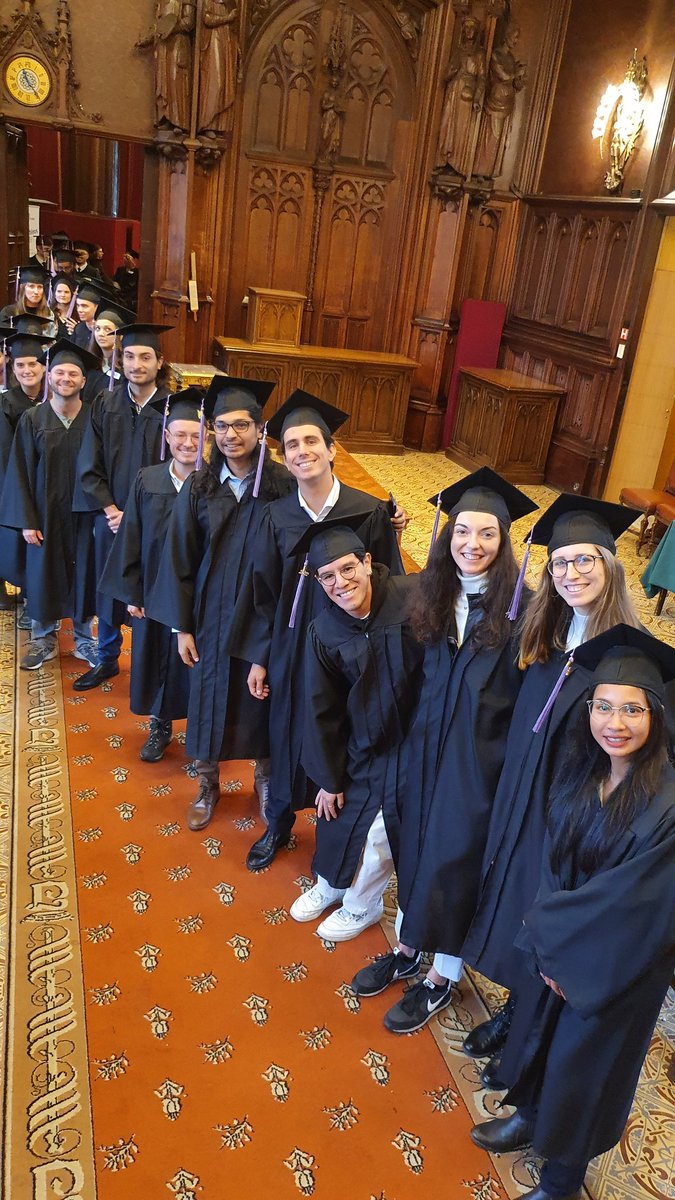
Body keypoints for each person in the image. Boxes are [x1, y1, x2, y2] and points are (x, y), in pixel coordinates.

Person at [470, 625, 675, 1200]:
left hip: (616, 966)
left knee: (586, 1065)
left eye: (632, 709)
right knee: (541, 1033)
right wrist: (549, 941)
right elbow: (554, 859)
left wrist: (564, 952)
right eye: (603, 706)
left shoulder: (669, 803)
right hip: (564, 947)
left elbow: (639, 904)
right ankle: (530, 1118)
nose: (615, 722)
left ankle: (561, 1179)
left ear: (656, 715)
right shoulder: (584, 773)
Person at [460, 495, 641, 1080]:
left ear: (611, 567)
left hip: (573, 818)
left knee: (549, 918)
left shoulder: (625, 658)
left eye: (585, 560)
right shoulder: (548, 634)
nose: (572, 574)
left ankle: (526, 1030)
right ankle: (517, 1005)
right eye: (560, 564)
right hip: (523, 800)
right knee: (516, 906)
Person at [350, 469, 537, 1025]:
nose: (471, 545)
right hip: (420, 754)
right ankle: (410, 950)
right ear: (446, 535)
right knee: (415, 850)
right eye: (461, 531)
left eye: (486, 535)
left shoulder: (521, 614)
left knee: (458, 867)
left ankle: (442, 976)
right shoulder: (429, 596)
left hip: (476, 769)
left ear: (504, 544)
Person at [229, 390, 407, 872]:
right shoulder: (274, 515)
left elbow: (389, 584)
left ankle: (344, 835)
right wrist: (260, 656)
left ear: (331, 449)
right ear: (283, 457)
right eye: (292, 445)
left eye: (312, 441)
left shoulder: (369, 512)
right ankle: (280, 821)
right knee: (287, 730)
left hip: (353, 649)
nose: (303, 451)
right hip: (291, 648)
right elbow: (261, 591)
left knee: (349, 730)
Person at [148, 378, 293, 827]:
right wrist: (181, 627)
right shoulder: (200, 486)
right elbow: (179, 557)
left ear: (260, 428)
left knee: (261, 698)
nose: (231, 435)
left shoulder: (283, 487)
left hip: (262, 614)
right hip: (209, 615)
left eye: (242, 425)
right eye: (223, 426)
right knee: (208, 696)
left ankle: (264, 778)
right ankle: (207, 782)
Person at [291, 516, 424, 941]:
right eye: (327, 576)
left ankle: (360, 906)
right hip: (363, 745)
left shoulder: (412, 599)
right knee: (338, 813)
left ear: (368, 562)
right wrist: (327, 777)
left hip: (415, 745)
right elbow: (320, 708)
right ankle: (330, 883)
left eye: (348, 568)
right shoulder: (325, 630)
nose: (340, 583)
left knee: (384, 833)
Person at [99, 389, 205, 761]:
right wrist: (133, 592)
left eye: (196, 434)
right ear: (166, 435)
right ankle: (160, 726)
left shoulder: (216, 485)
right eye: (179, 434)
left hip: (200, 595)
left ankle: (202, 736)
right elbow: (131, 538)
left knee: (199, 664)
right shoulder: (148, 479)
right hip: (153, 593)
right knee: (158, 660)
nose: (187, 442)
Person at [72, 322, 173, 690]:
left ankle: (151, 669)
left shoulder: (172, 410)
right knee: (109, 586)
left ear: (160, 362)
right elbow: (89, 462)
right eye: (128, 356)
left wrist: (142, 516)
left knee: (152, 592)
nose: (136, 364)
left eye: (145, 357)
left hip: (159, 523)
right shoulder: (105, 403)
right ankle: (108, 658)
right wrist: (111, 510)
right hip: (111, 518)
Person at [0, 340, 98, 671]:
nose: (65, 378)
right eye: (59, 372)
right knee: (42, 574)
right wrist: (26, 519)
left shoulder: (96, 420)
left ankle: (85, 638)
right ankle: (43, 638)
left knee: (85, 573)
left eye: (73, 373)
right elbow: (20, 471)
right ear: (49, 377)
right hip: (44, 514)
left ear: (83, 380)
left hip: (85, 516)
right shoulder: (32, 419)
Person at [84, 297, 135, 401]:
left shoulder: (125, 368)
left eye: (108, 329)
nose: (101, 334)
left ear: (120, 335)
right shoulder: (89, 364)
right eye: (97, 329)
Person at [1, 266, 58, 336]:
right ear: (23, 288)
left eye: (40, 287)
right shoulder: (9, 313)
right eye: (31, 286)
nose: (36, 291)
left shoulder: (49, 314)